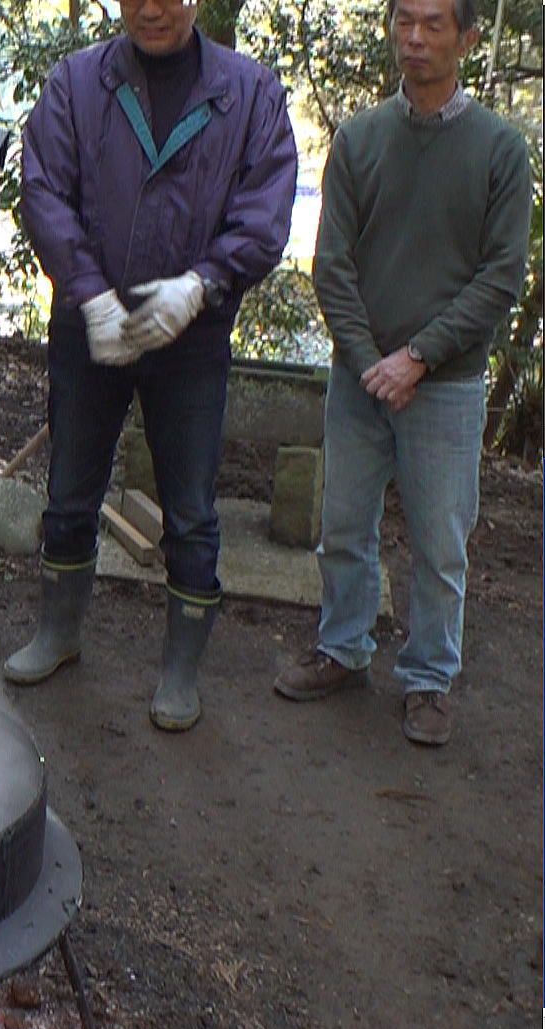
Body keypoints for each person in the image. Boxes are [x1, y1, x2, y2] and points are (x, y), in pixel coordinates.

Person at [7, 0, 297, 730]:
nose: (152, 8)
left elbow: (264, 211)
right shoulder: (77, 83)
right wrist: (88, 295)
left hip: (191, 337)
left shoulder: (249, 91)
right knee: (71, 490)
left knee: (193, 510)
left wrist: (202, 284)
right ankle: (59, 632)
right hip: (89, 327)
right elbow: (42, 191)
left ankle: (180, 670)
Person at [272, 0, 530, 747]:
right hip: (360, 381)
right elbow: (332, 267)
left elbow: (500, 279)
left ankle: (428, 680)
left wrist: (417, 358)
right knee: (345, 525)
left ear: (468, 37)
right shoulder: (359, 139)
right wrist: (367, 361)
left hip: (446, 388)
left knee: (440, 543)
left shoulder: (500, 150)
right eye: (404, 22)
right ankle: (345, 648)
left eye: (434, 25)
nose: (414, 39)